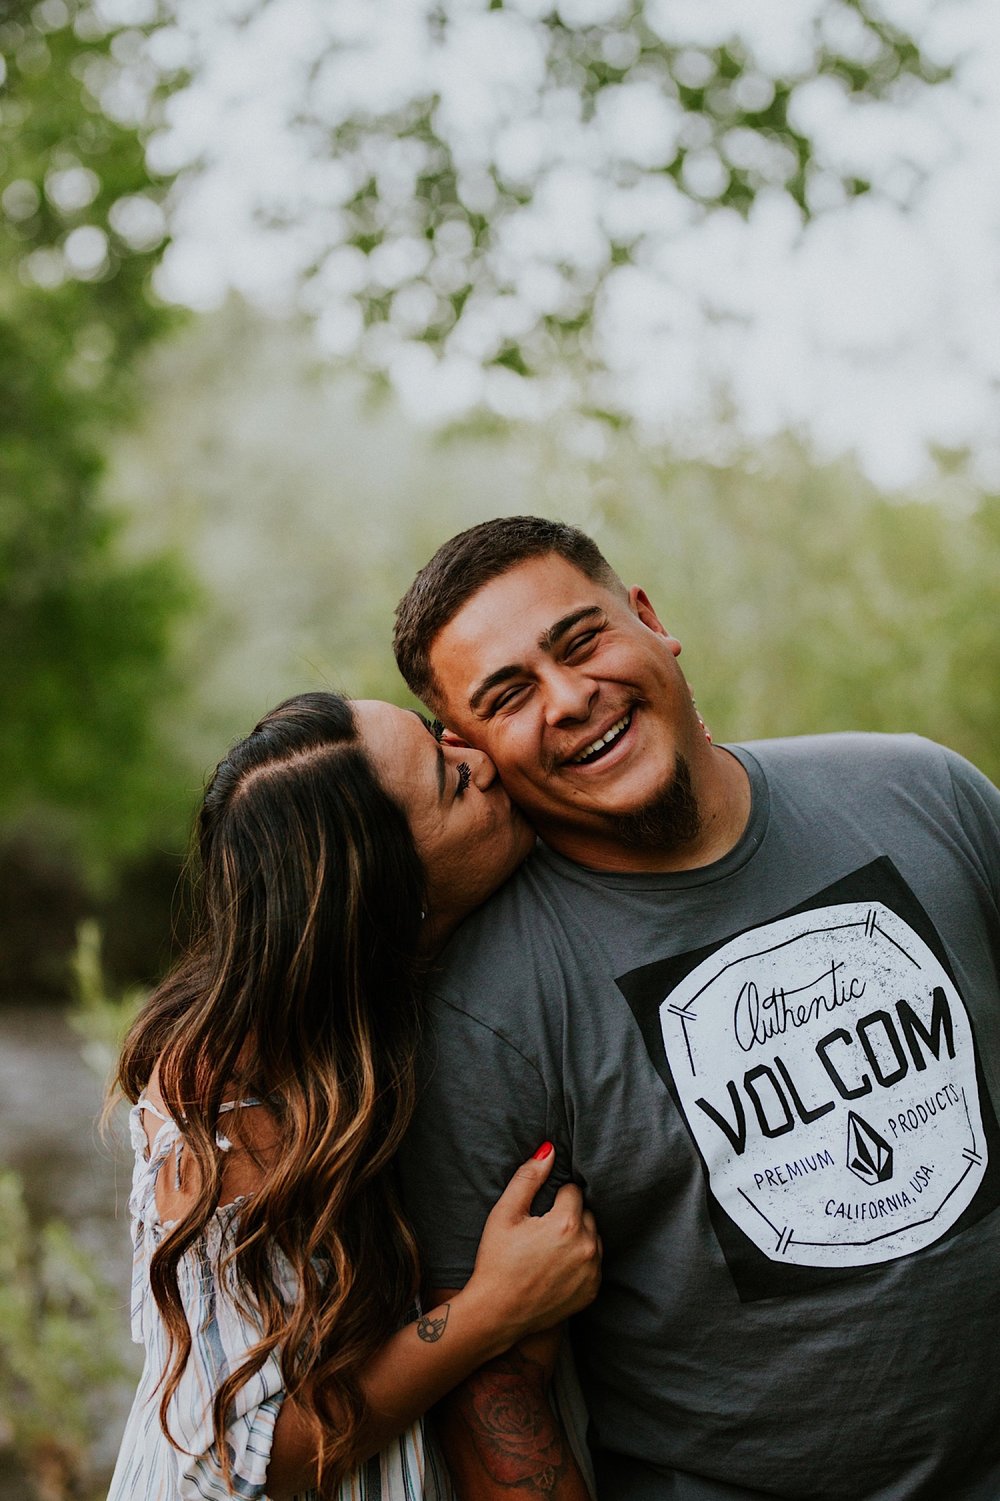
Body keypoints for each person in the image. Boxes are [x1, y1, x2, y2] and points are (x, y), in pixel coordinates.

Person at [391, 515, 1000, 1501]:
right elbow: (496, 1392)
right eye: (509, 695)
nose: (570, 698)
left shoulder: (921, 792)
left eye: (580, 640)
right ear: (472, 748)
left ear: (647, 618)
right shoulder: (482, 1006)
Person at [107, 691, 601, 1501]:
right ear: (383, 890)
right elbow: (234, 1457)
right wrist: (489, 1311)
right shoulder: (227, 1094)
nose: (480, 760)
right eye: (449, 780)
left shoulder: (414, 989)